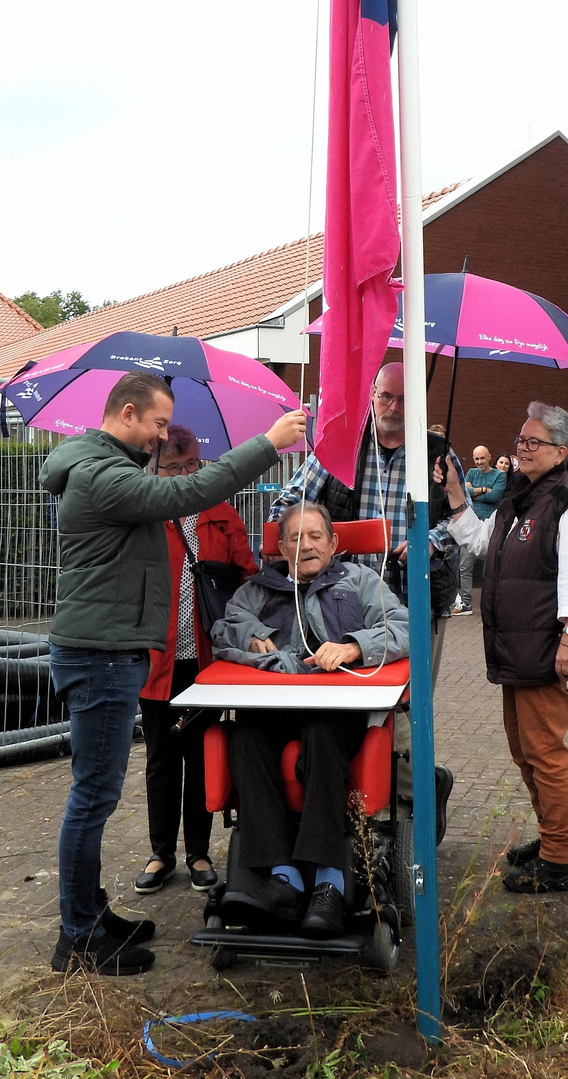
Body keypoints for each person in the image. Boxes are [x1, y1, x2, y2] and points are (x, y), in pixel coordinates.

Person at [40, 370, 307, 976]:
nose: (163, 437)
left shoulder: (100, 465)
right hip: (103, 653)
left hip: (110, 649)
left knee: (95, 792)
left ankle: (90, 911)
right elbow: (181, 498)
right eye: (159, 424)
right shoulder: (104, 475)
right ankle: (78, 936)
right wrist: (267, 443)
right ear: (128, 413)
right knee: (92, 797)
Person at [271, 360, 464, 836]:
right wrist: (313, 536)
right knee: (357, 706)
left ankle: (400, 807)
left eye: (403, 399)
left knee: (406, 706)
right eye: (386, 397)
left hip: (417, 598)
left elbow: (464, 521)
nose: (394, 408)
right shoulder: (340, 450)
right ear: (373, 396)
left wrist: (429, 542)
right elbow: (287, 505)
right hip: (352, 604)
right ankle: (393, 796)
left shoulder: (439, 454)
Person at [211, 502, 409, 938]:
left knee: (321, 734)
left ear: (334, 543)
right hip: (276, 707)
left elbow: (402, 626)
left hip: (337, 711)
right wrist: (253, 636)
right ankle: (283, 878)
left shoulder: (359, 582)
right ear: (280, 547)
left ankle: (329, 883)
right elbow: (225, 626)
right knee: (244, 734)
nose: (306, 545)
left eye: (316, 536)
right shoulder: (257, 589)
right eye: (295, 538)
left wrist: (355, 646)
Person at [441, 400, 568, 895]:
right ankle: (555, 837)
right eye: (520, 441)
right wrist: (453, 496)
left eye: (533, 443)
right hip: (517, 648)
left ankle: (558, 859)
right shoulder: (520, 499)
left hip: (544, 647)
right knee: (523, 749)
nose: (522, 449)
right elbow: (482, 544)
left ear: (561, 451)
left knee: (545, 752)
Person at [134, 425, 257, 897]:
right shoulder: (145, 518)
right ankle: (161, 852)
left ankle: (200, 852)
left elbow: (247, 581)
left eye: (192, 467)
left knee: (203, 757)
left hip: (207, 663)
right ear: (155, 469)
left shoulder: (223, 516)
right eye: (173, 468)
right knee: (161, 760)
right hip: (156, 661)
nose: (184, 476)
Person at [455, 446, 507, 614]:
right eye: (476, 459)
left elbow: (495, 497)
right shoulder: (470, 473)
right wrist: (484, 490)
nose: (479, 462)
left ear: (489, 457)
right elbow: (465, 493)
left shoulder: (499, 475)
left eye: (482, 458)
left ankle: (493, 604)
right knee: (465, 567)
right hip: (472, 524)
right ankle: (465, 603)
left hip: (491, 526)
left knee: (492, 568)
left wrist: (474, 492)